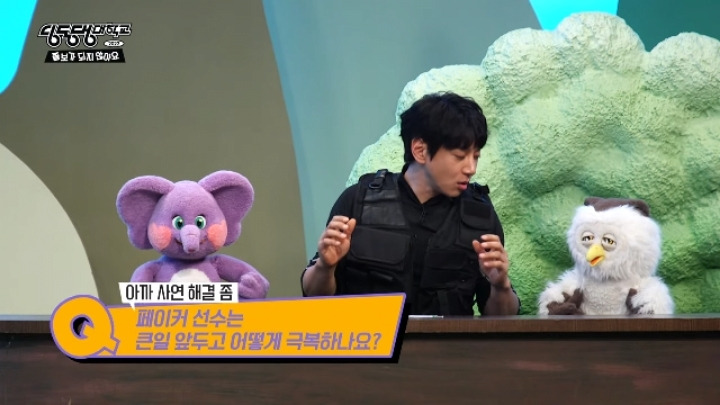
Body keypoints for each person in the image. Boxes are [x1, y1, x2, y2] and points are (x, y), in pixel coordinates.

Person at [300, 92, 520, 316]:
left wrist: (500, 285)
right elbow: (313, 296)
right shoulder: (358, 201)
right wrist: (325, 267)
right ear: (420, 150)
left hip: (448, 340)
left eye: (476, 156)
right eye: (459, 156)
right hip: (370, 336)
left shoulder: (480, 216)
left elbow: (502, 318)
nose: (471, 168)